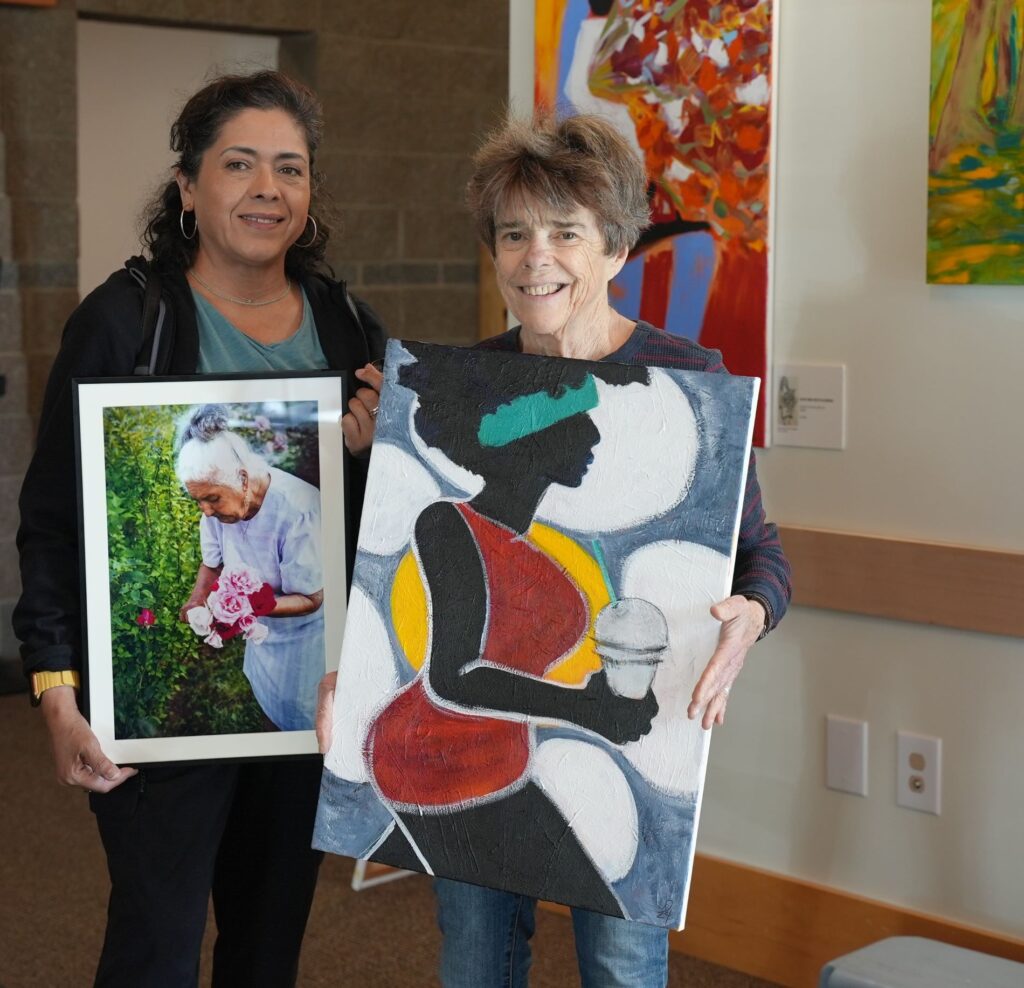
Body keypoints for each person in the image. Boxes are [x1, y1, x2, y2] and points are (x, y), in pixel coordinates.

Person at [317, 111, 791, 987]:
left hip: (592, 745)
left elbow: (761, 553)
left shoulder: (688, 385)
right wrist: (363, 668)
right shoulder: (474, 388)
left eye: (566, 232)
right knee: (477, 960)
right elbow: (418, 620)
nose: (536, 256)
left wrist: (750, 614)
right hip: (454, 755)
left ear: (615, 248)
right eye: (514, 233)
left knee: (622, 959)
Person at [14, 71, 386, 987]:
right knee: (156, 947)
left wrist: (378, 454)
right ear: (188, 187)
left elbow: (382, 532)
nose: (269, 189)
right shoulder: (123, 323)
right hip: (158, 745)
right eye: (240, 164)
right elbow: (54, 522)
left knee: (268, 948)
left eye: (291, 169)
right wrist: (57, 695)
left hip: (304, 711)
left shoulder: (346, 326)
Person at [176, 404, 325, 732]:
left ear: (242, 478)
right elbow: (211, 563)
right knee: (268, 699)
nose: (206, 511)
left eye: (212, 499)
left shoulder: (299, 510)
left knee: (305, 716)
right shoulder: (216, 511)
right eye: (197, 501)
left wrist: (251, 606)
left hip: (306, 640)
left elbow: (313, 598)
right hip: (262, 631)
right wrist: (197, 600)